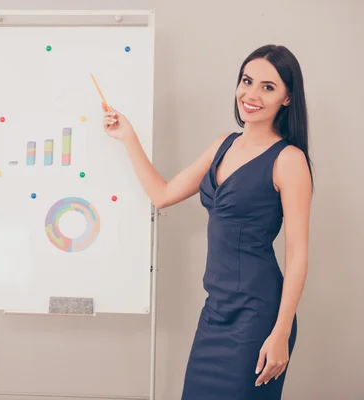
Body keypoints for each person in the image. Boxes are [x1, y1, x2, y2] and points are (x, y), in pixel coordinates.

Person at [102, 44, 312, 399]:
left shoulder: (289, 159)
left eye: (268, 86)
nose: (251, 94)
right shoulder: (222, 145)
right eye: (247, 81)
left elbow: (298, 255)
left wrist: (280, 331)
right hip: (215, 310)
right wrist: (128, 136)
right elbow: (163, 194)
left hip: (258, 315)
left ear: (287, 98)